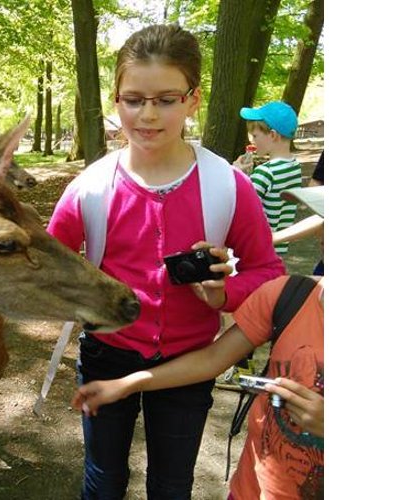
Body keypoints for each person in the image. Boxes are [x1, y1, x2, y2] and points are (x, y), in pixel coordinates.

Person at [46, 24, 285, 499]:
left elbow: (268, 272)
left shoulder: (226, 185)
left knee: (172, 485)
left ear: (193, 100)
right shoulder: (89, 190)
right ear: (116, 101)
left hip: (191, 363)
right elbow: (44, 265)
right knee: (103, 479)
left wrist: (224, 293)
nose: (148, 114)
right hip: (105, 357)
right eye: (134, 99)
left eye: (166, 99)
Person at [73, 187, 326, 499]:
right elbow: (211, 360)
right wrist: (125, 384)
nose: (324, 237)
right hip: (252, 490)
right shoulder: (292, 296)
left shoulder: (226, 184)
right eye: (327, 223)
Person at [234, 100, 303, 258]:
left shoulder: (265, 172)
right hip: (278, 250)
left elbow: (241, 209)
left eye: (255, 135)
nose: (252, 140)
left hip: (258, 250)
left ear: (272, 135)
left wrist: (236, 175)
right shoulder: (294, 167)